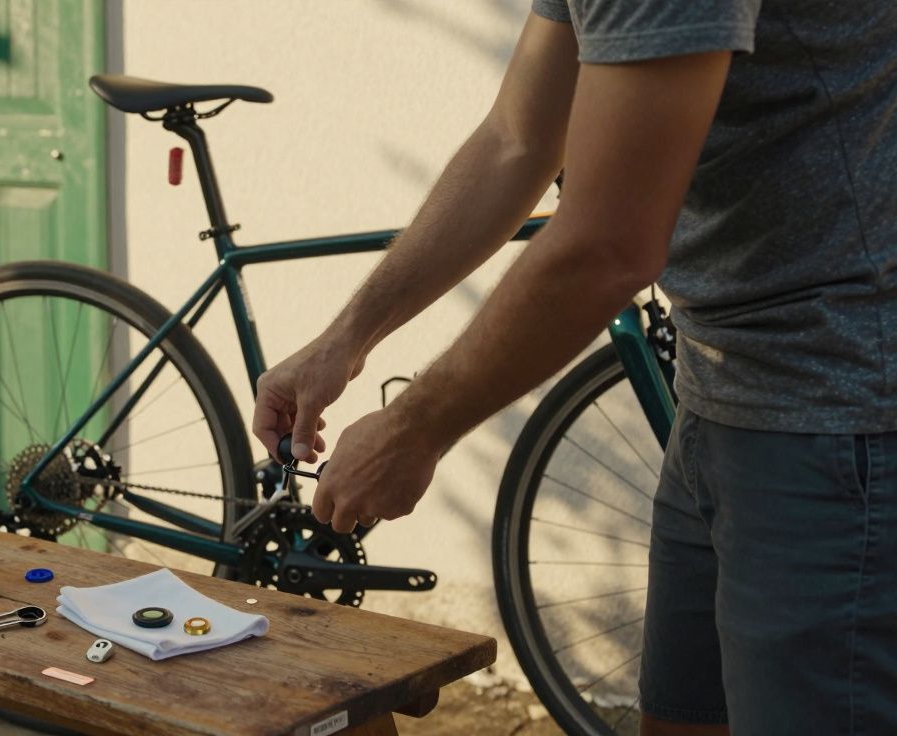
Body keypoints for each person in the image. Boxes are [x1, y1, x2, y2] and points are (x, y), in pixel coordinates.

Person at [251, 2, 897, 734]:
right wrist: (345, 340)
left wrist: (412, 430)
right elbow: (518, 138)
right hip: (722, 394)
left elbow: (607, 247)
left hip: (835, 416)